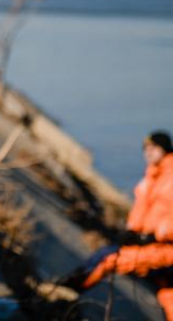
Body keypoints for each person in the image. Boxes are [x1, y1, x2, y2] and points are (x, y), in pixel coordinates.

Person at [59, 131, 173, 320]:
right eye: (146, 149)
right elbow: (141, 211)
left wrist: (151, 236)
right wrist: (131, 232)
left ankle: (67, 291)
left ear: (165, 149)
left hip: (163, 248)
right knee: (167, 293)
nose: (148, 152)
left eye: (154, 148)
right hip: (149, 244)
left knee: (109, 260)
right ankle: (67, 285)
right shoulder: (152, 176)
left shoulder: (168, 178)